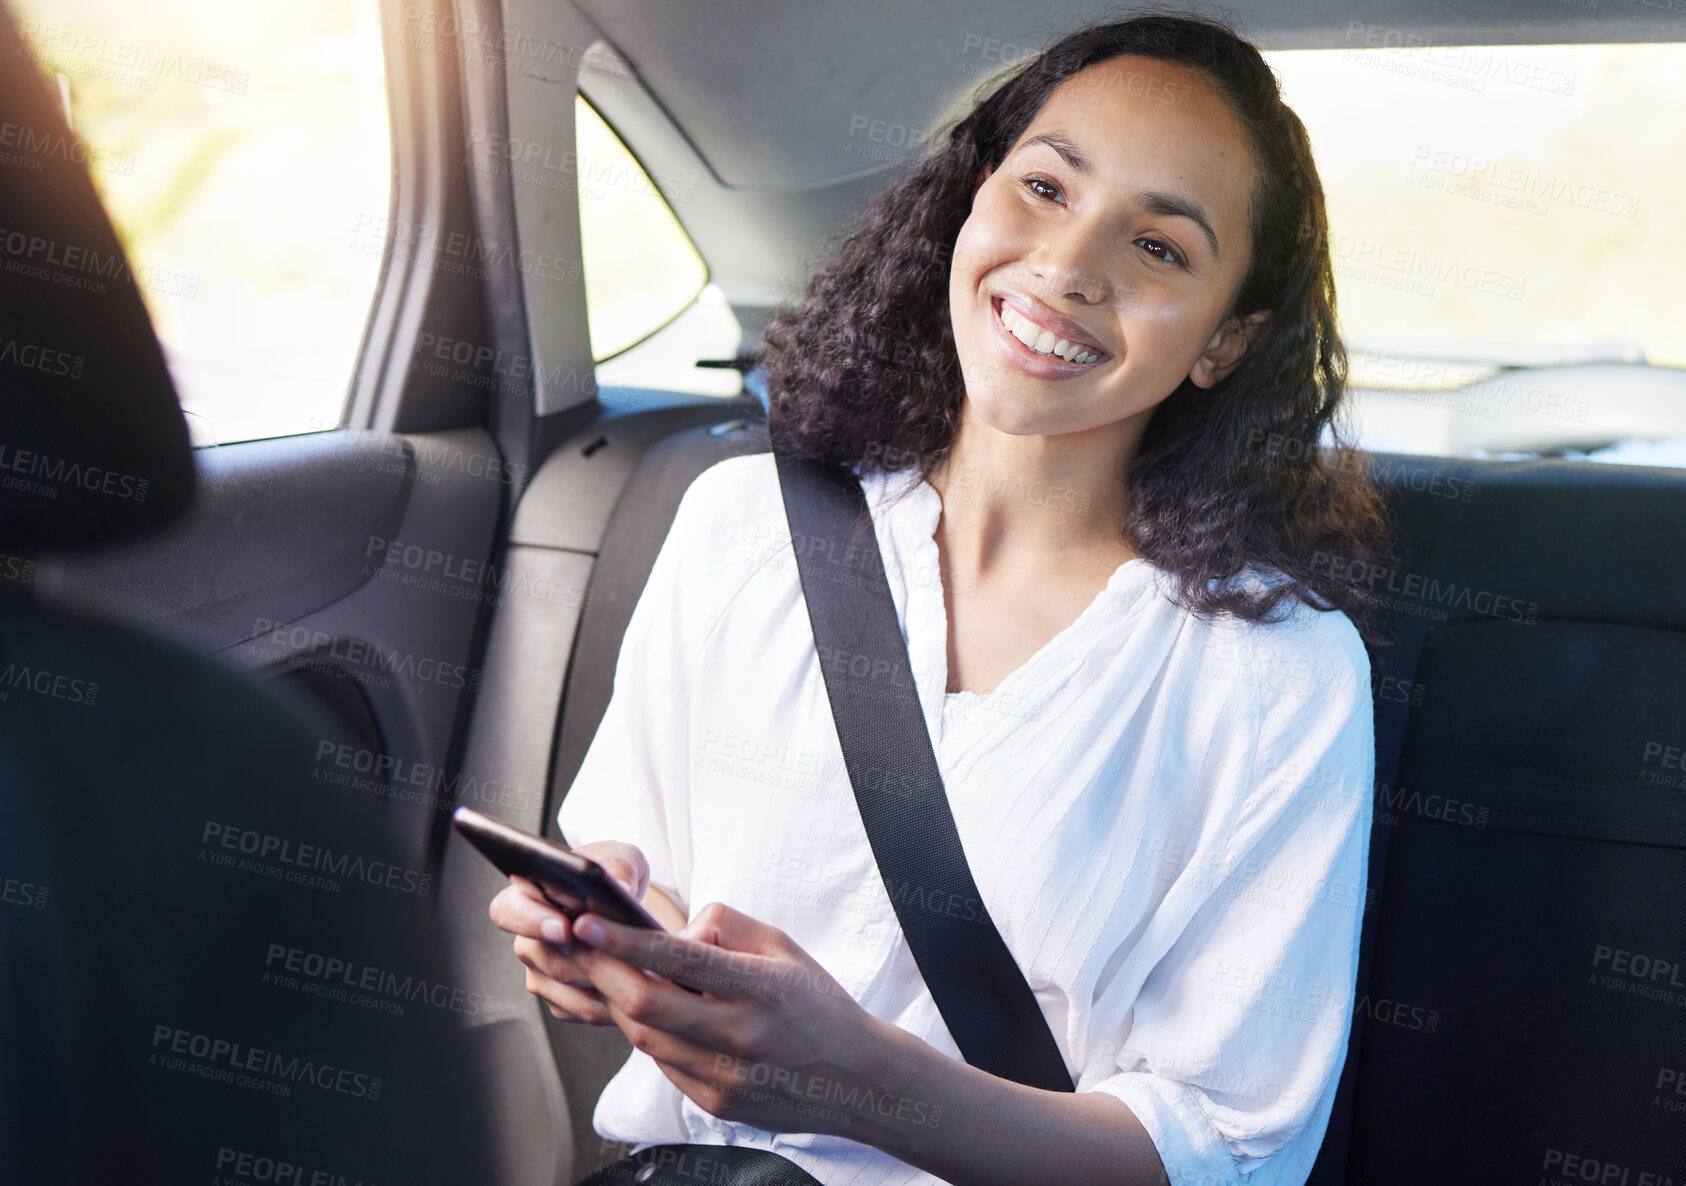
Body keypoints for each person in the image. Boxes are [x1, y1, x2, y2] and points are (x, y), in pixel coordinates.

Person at [491, 13, 1391, 1185]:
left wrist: (859, 1082)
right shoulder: (740, 526)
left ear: (1226, 339)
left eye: (1160, 247)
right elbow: (636, 871)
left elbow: (1228, 1152)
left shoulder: (1280, 674)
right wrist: (593, 938)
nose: (1068, 267)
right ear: (970, 201)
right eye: (1046, 187)